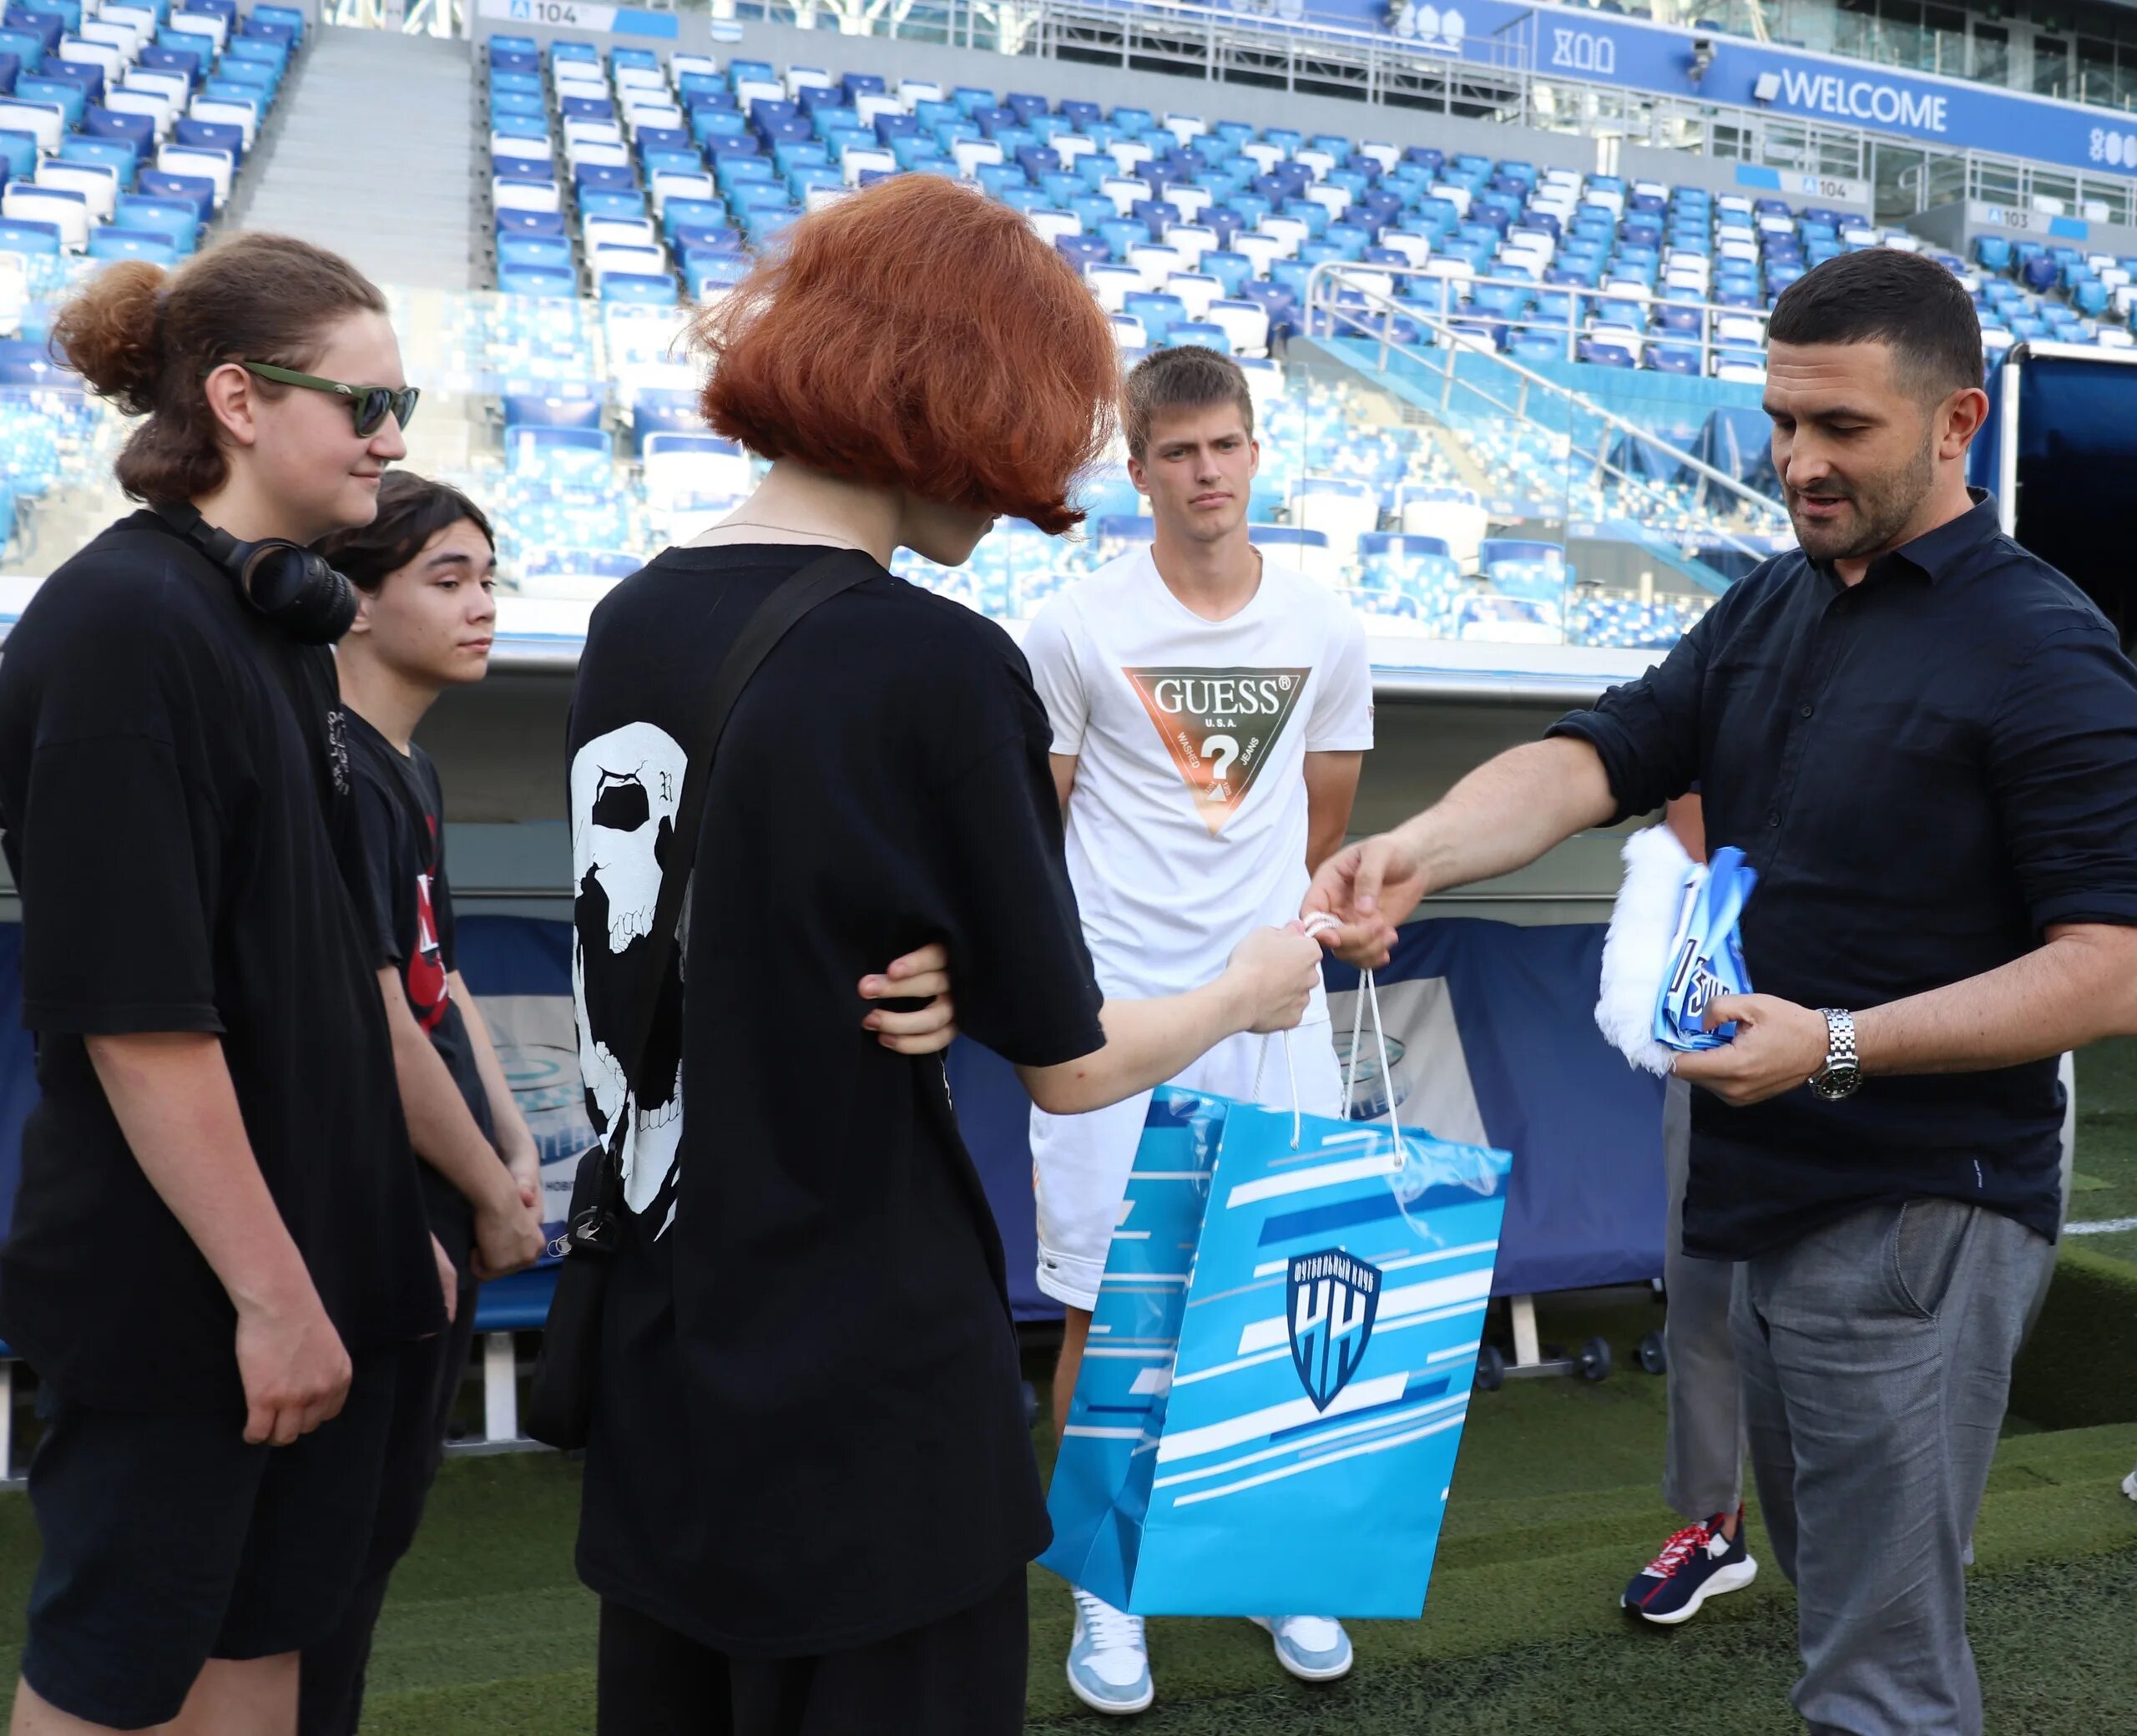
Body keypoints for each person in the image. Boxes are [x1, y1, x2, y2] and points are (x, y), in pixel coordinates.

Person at [1306, 245, 2137, 1736]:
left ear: (1958, 425)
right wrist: (1418, 851)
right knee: (1836, 1599)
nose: (1799, 463)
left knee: (1879, 1671)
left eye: (1843, 430)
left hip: (1918, 1207)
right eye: (1782, 423)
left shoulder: (2047, 647)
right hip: (1755, 1190)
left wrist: (1834, 1046)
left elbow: (2115, 967)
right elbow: (1597, 755)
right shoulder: (1770, 602)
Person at [564, 175, 1325, 1736]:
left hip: (663, 1360)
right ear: (949, 396)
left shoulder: (631, 619)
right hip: (869, 1398)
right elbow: (1076, 1064)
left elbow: (767, 929)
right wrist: (1252, 988)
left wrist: (958, 980)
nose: (1033, 483)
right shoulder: (933, 661)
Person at [299, 473, 967, 1732]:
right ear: (352, 603)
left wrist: (506, 1157)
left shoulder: (412, 774)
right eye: (448, 579)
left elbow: (438, 1005)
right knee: (303, 1585)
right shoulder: (335, 774)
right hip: (373, 1204)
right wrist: (492, 1179)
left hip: (461, 1200)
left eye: (489, 576)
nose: (484, 606)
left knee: (362, 1552)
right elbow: (375, 1019)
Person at [0, 235, 442, 1736]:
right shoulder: (123, 627)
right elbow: (137, 1022)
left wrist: (376, 1251)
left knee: (266, 1653)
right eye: (366, 405)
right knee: (117, 1681)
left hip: (314, 1276)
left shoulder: (273, 625)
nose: (395, 439)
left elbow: (323, 983)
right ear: (240, 400)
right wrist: (271, 1296)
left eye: (408, 405)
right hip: (191, 1302)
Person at [1021, 345, 1372, 1713]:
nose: (1207, 472)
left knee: (1272, 1301)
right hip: (1114, 1023)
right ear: (1139, 468)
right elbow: (1031, 834)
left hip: (1276, 1022)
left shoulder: (1327, 626)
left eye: (1226, 445)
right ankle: (1111, 1586)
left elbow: (1324, 817)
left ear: (1255, 451)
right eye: (1179, 453)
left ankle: (1270, 1555)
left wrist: (1266, 952)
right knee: (1105, 1312)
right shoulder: (1071, 628)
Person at [1614, 794, 1759, 1628]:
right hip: (1719, 1019)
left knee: (1880, 1310)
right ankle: (1715, 1528)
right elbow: (1692, 820)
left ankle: (1911, 1556)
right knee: (1702, 1292)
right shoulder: (1731, 675)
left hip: (1879, 1019)